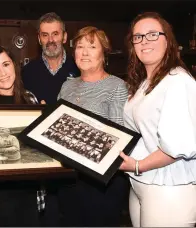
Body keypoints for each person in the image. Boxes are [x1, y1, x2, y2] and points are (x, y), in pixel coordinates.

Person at [119, 12, 196, 227]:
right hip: (141, 182)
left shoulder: (177, 81)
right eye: (138, 37)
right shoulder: (145, 83)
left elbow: (178, 146)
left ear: (168, 40)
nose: (144, 41)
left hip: (169, 187)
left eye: (152, 34)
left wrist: (137, 165)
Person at [56, 26, 129, 226]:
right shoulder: (67, 86)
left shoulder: (117, 86)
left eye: (92, 46)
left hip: (101, 183)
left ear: (104, 53)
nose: (85, 52)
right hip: (68, 179)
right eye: (80, 47)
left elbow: (118, 140)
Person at [0, 43, 43, 227]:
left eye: (6, 64)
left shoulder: (30, 99)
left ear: (14, 65)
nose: (3, 74)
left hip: (30, 190)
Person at [22, 12, 80, 105]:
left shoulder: (78, 69)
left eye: (55, 34)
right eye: (45, 35)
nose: (50, 40)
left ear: (64, 37)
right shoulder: (27, 72)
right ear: (39, 39)